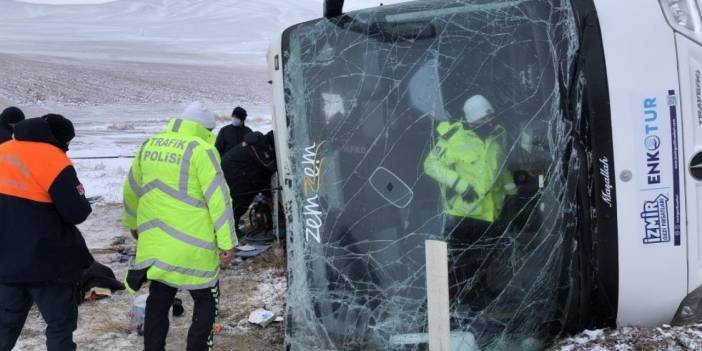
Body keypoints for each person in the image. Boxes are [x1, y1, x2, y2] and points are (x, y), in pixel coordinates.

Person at [123, 101, 238, 351]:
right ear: (206, 129)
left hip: (158, 247)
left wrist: (132, 224)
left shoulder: (150, 144)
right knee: (206, 301)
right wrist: (227, 243)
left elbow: (131, 189)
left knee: (159, 299)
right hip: (194, 248)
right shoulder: (202, 150)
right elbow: (220, 199)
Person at [0, 115, 93, 351]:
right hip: (49, 265)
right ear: (58, 139)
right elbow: (77, 212)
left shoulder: (3, 150)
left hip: (6, 263)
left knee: (4, 327)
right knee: (60, 326)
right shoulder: (54, 160)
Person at [424, 94, 517, 239]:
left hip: (494, 213)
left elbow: (501, 166)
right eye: (483, 119)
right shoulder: (454, 137)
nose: (490, 122)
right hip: (464, 217)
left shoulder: (499, 133)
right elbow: (431, 165)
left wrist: (512, 193)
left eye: (491, 117)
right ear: (471, 120)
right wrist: (461, 186)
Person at [221, 131, 277, 232]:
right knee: (241, 200)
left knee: (246, 196)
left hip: (237, 169)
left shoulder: (260, 143)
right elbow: (269, 165)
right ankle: (230, 231)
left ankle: (230, 228)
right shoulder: (258, 145)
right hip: (234, 171)